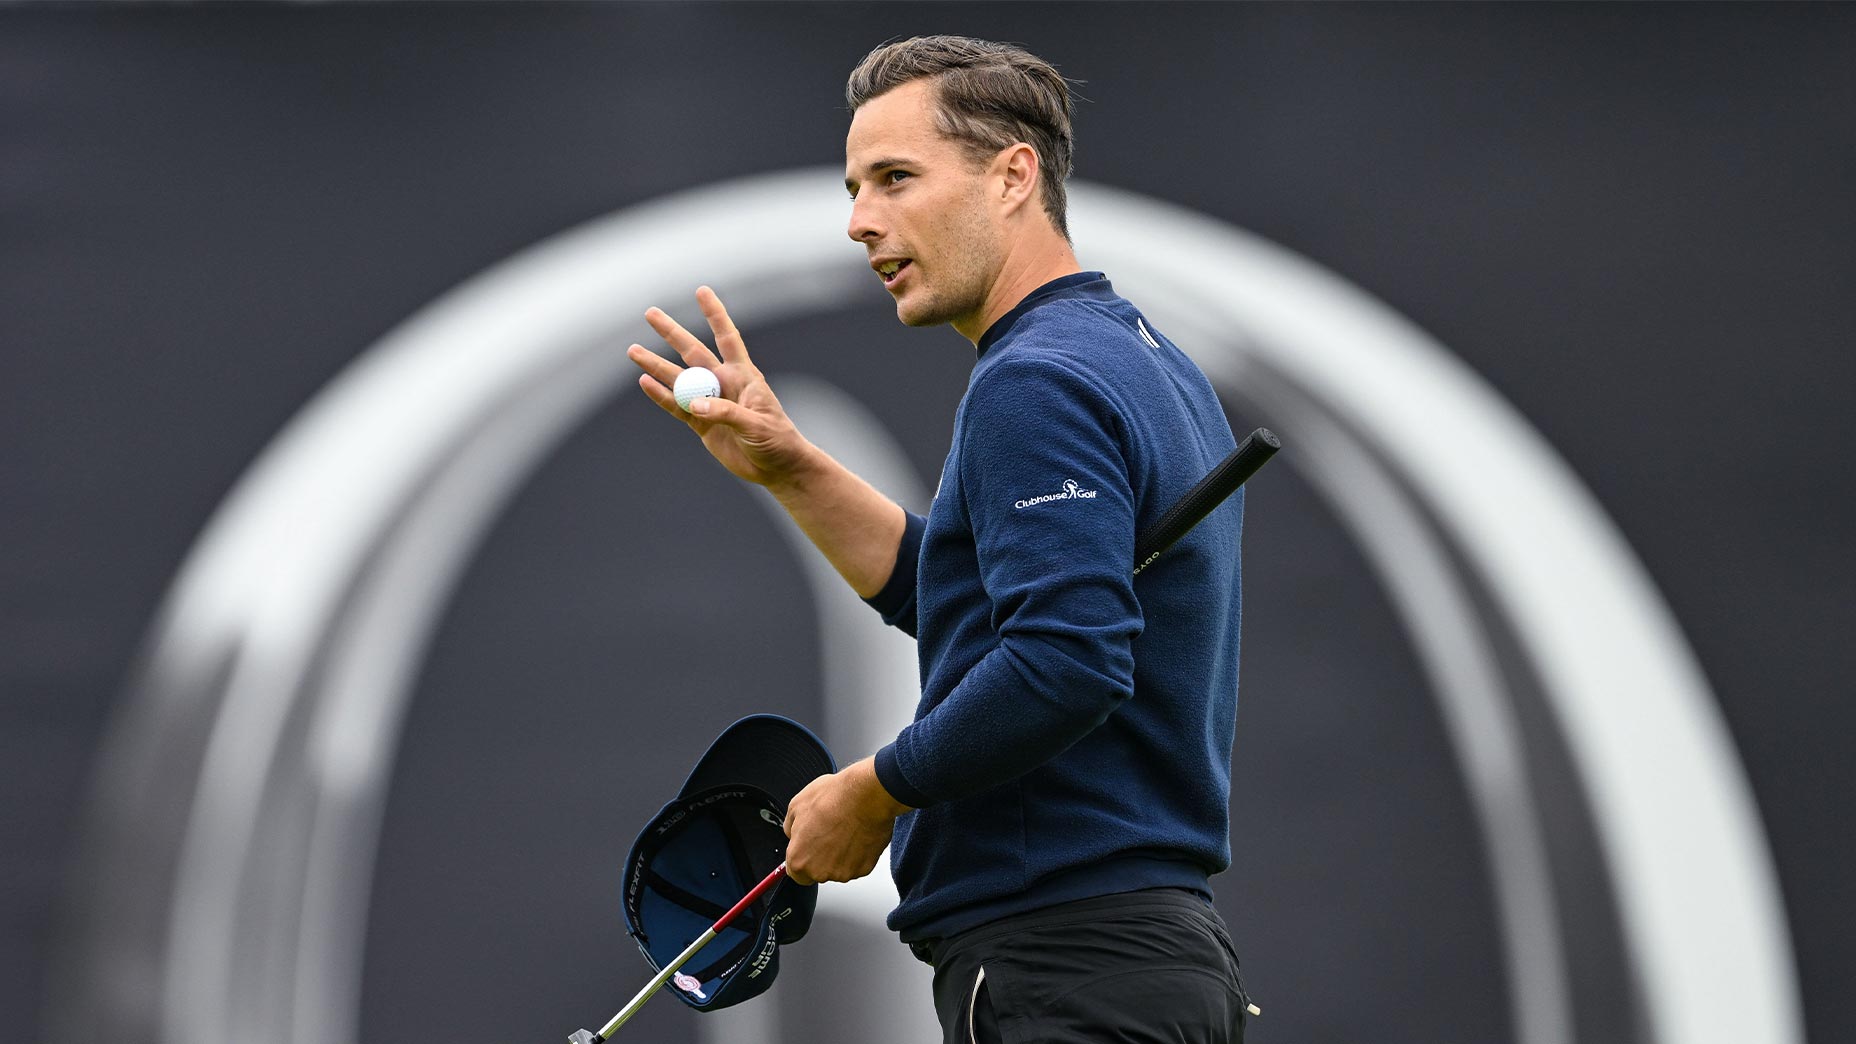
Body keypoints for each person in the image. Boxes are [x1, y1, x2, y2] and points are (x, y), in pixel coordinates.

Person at [625, 34, 1251, 1044]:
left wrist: (873, 792)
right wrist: (790, 464)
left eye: (894, 179)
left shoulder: (1032, 379)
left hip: (1065, 974)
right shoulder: (1137, 355)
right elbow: (970, 608)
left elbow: (1063, 661)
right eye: (852, 187)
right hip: (1131, 966)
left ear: (1013, 176)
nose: (859, 221)